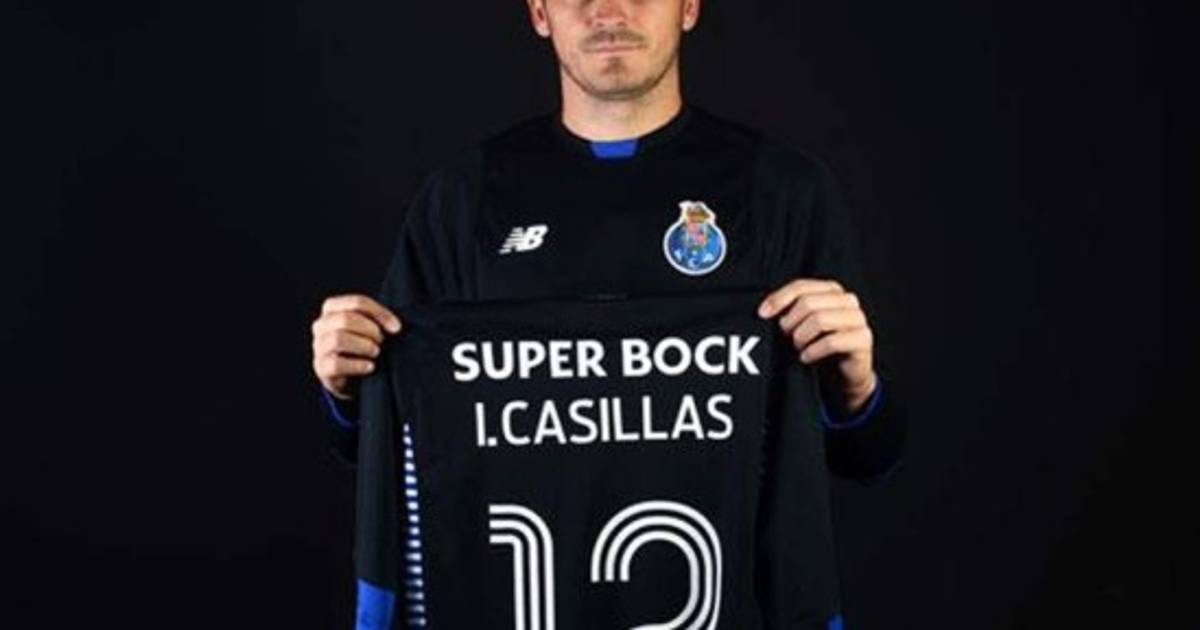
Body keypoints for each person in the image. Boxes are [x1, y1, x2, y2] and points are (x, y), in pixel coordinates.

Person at [309, 1, 906, 627]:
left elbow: (873, 455)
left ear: (689, 7)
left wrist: (855, 391)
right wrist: (349, 389)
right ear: (540, 13)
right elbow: (399, 444)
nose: (608, 10)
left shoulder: (782, 191)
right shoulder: (464, 199)